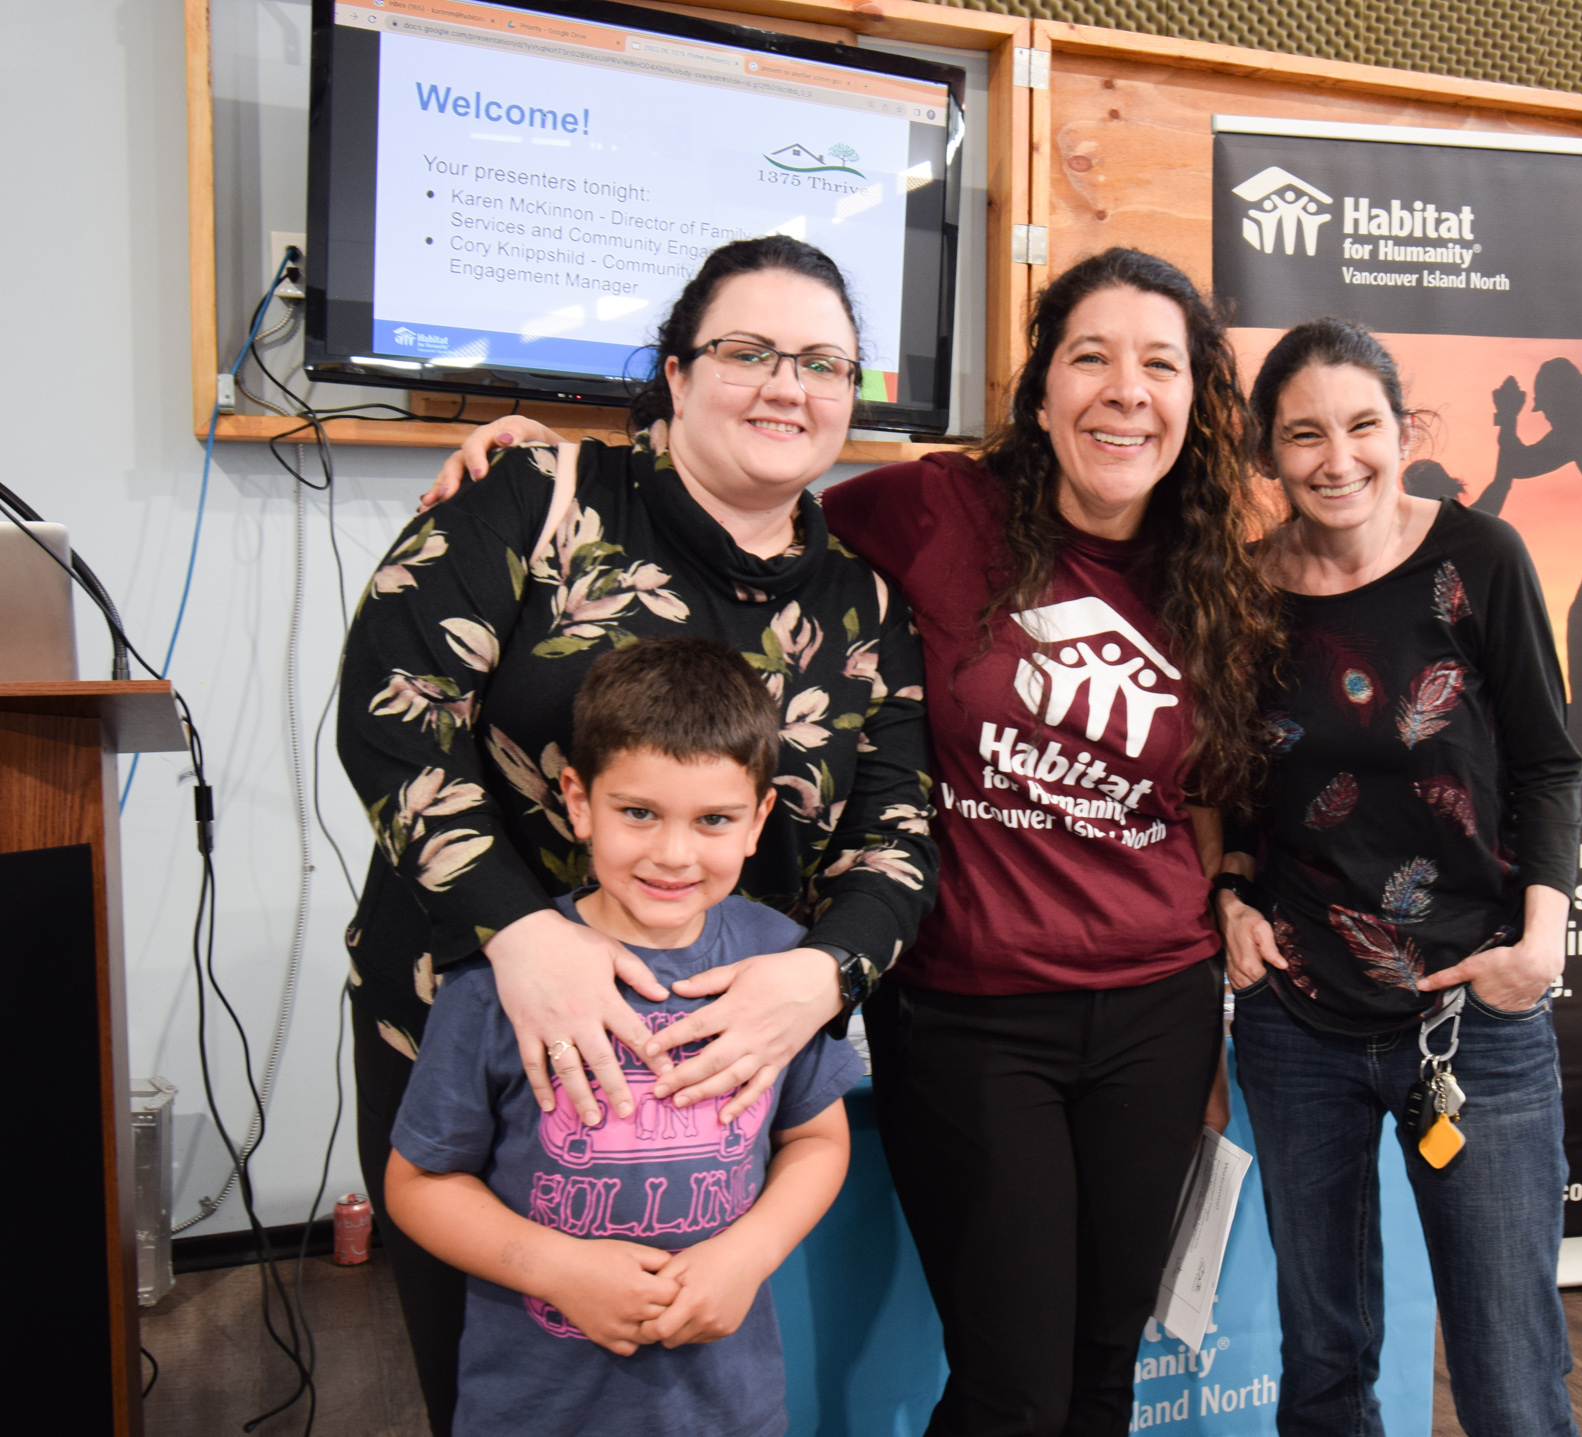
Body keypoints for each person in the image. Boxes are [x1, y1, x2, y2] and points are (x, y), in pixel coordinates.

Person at [429, 246, 1285, 1437]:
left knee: (1104, 1367)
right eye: (1090, 355)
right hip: (974, 1012)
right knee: (1013, 1389)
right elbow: (737, 490)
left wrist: (1233, 888)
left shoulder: (1215, 577)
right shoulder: (928, 507)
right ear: (1040, 391)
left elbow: (1221, 787)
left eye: (1160, 363)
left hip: (1157, 1003)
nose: (1125, 388)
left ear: (1197, 402)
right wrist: (560, 455)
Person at [341, 235, 936, 1433]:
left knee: (694, 1378)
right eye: (747, 351)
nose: (787, 383)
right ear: (673, 372)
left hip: (711, 1071)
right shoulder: (537, 497)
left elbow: (898, 832)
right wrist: (522, 938)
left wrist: (821, 979)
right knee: (498, 1380)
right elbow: (392, 710)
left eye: (824, 361)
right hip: (472, 1017)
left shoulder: (861, 603)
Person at [1213, 320, 1582, 1437]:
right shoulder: (1240, 598)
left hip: (1471, 1008)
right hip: (1295, 1013)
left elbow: (1547, 762)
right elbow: (1231, 787)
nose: (1337, 459)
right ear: (1265, 454)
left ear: (1401, 428)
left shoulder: (1479, 559)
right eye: (1303, 435)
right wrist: (1228, 901)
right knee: (1322, 1355)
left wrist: (1540, 940)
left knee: (1507, 1367)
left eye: (1361, 425)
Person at [385, 637, 864, 1437]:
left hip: (728, 1407)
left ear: (759, 819)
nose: (674, 854)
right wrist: (560, 1269)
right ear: (578, 800)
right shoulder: (501, 980)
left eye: (714, 819)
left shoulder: (779, 962)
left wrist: (749, 1253)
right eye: (638, 812)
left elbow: (818, 1139)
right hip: (535, 1410)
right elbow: (418, 1184)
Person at [1471, 356, 1582, 718]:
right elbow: (1518, 466)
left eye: (1549, 409)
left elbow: (1516, 466)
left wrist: (1509, 415)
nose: (1549, 418)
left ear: (1563, 398)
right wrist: (1507, 417)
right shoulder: (1570, 432)